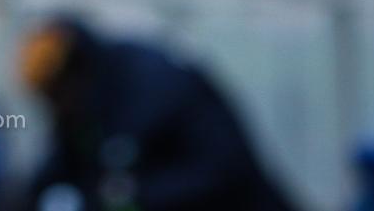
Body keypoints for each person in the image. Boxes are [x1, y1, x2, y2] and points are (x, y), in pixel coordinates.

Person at [18, 15, 300, 211]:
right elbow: (59, 168)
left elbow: (222, 171)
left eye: (54, 97)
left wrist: (127, 196)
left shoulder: (153, 88)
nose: (54, 109)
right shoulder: (87, 105)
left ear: (72, 77)